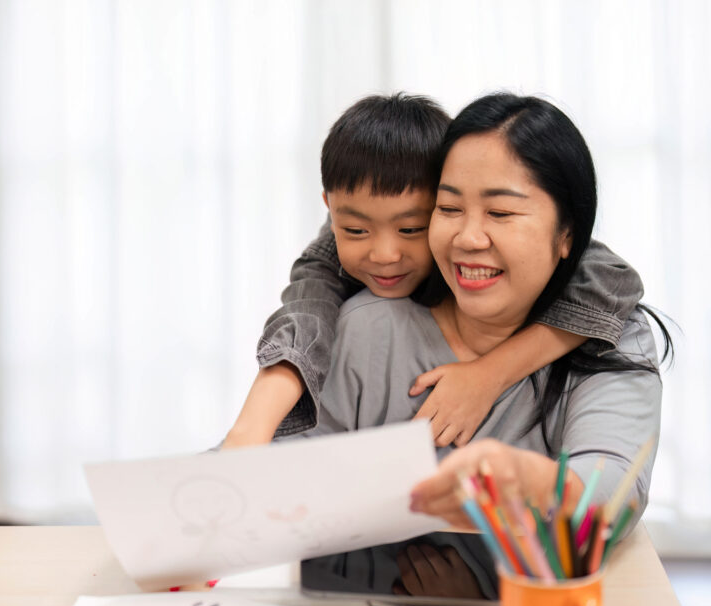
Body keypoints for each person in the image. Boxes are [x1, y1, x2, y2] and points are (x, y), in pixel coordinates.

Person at [303, 93, 670, 597]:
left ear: (567, 233)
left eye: (500, 212)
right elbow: (294, 471)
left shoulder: (613, 342)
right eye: (449, 208)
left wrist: (523, 480)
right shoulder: (368, 324)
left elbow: (610, 494)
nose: (468, 238)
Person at [223, 93, 645, 452]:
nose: (385, 254)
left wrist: (491, 374)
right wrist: (249, 431)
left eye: (412, 228)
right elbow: (304, 316)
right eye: (354, 230)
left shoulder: (514, 241)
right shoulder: (340, 266)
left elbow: (613, 278)